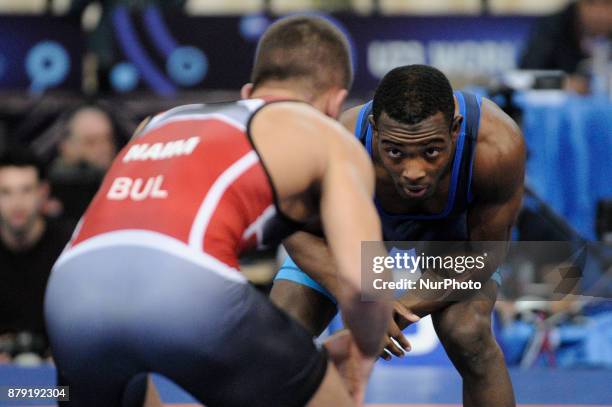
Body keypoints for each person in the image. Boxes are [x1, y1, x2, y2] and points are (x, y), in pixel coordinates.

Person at [44, 16, 391, 407]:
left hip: (69, 297)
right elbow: (364, 282)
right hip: (187, 291)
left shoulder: (155, 123)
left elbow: (123, 237)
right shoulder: (325, 135)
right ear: (334, 101)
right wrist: (364, 350)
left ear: (248, 92)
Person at [272, 65, 526, 407]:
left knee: (469, 334)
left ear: (455, 130)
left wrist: (395, 311)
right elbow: (294, 228)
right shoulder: (338, 142)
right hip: (357, 231)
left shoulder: (495, 146)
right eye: (395, 152)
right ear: (375, 130)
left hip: (453, 240)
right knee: (281, 338)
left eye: (431, 152)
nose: (414, 171)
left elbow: (485, 254)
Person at [0, 148, 73, 359]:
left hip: (56, 377)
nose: (17, 204)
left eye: (26, 190)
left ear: (43, 193)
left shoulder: (69, 249)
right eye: (6, 192)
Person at [519, 0, 612, 93]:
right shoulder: (553, 26)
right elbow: (524, 78)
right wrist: (561, 83)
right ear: (578, 4)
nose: (599, 13)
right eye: (590, 3)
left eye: (608, 4)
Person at [48, 105, 118, 222]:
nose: (103, 148)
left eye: (108, 139)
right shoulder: (47, 194)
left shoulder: (127, 186)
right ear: (66, 146)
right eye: (91, 142)